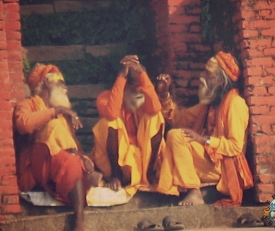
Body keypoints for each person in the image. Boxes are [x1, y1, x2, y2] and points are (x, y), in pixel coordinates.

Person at [14, 63, 102, 231]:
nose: (66, 88)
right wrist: (56, 111)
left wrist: (85, 160)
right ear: (47, 83)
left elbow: (75, 147)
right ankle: (85, 174)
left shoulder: (62, 117)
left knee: (73, 162)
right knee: (53, 126)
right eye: (61, 83)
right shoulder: (27, 105)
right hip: (36, 167)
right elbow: (23, 124)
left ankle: (79, 221)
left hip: (60, 164)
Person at [156, 51, 253, 207]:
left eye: (207, 74)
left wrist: (203, 140)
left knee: (176, 137)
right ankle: (183, 187)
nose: (201, 77)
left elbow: (236, 147)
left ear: (220, 80)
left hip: (224, 166)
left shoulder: (236, 104)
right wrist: (164, 94)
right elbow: (178, 119)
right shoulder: (209, 104)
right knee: (171, 139)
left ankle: (194, 191)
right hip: (208, 159)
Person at [91, 55, 165, 196]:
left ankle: (149, 174)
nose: (139, 90)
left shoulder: (146, 99)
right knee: (110, 121)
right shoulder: (105, 97)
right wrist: (122, 76)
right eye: (133, 85)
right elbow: (112, 113)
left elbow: (155, 108)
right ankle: (116, 175)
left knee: (156, 116)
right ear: (123, 84)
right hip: (115, 165)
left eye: (140, 85)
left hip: (142, 162)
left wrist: (142, 74)